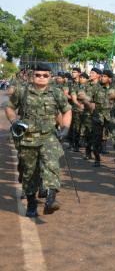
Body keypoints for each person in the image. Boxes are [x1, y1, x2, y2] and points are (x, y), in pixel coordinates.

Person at [6, 63, 72, 217]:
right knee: (29, 173)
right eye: (38, 75)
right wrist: (14, 121)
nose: (41, 78)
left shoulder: (56, 93)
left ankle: (50, 199)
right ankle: (31, 203)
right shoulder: (22, 91)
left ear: (50, 77)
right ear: (32, 75)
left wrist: (66, 129)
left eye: (45, 75)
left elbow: (67, 110)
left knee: (52, 165)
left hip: (48, 137)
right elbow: (9, 107)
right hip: (28, 139)